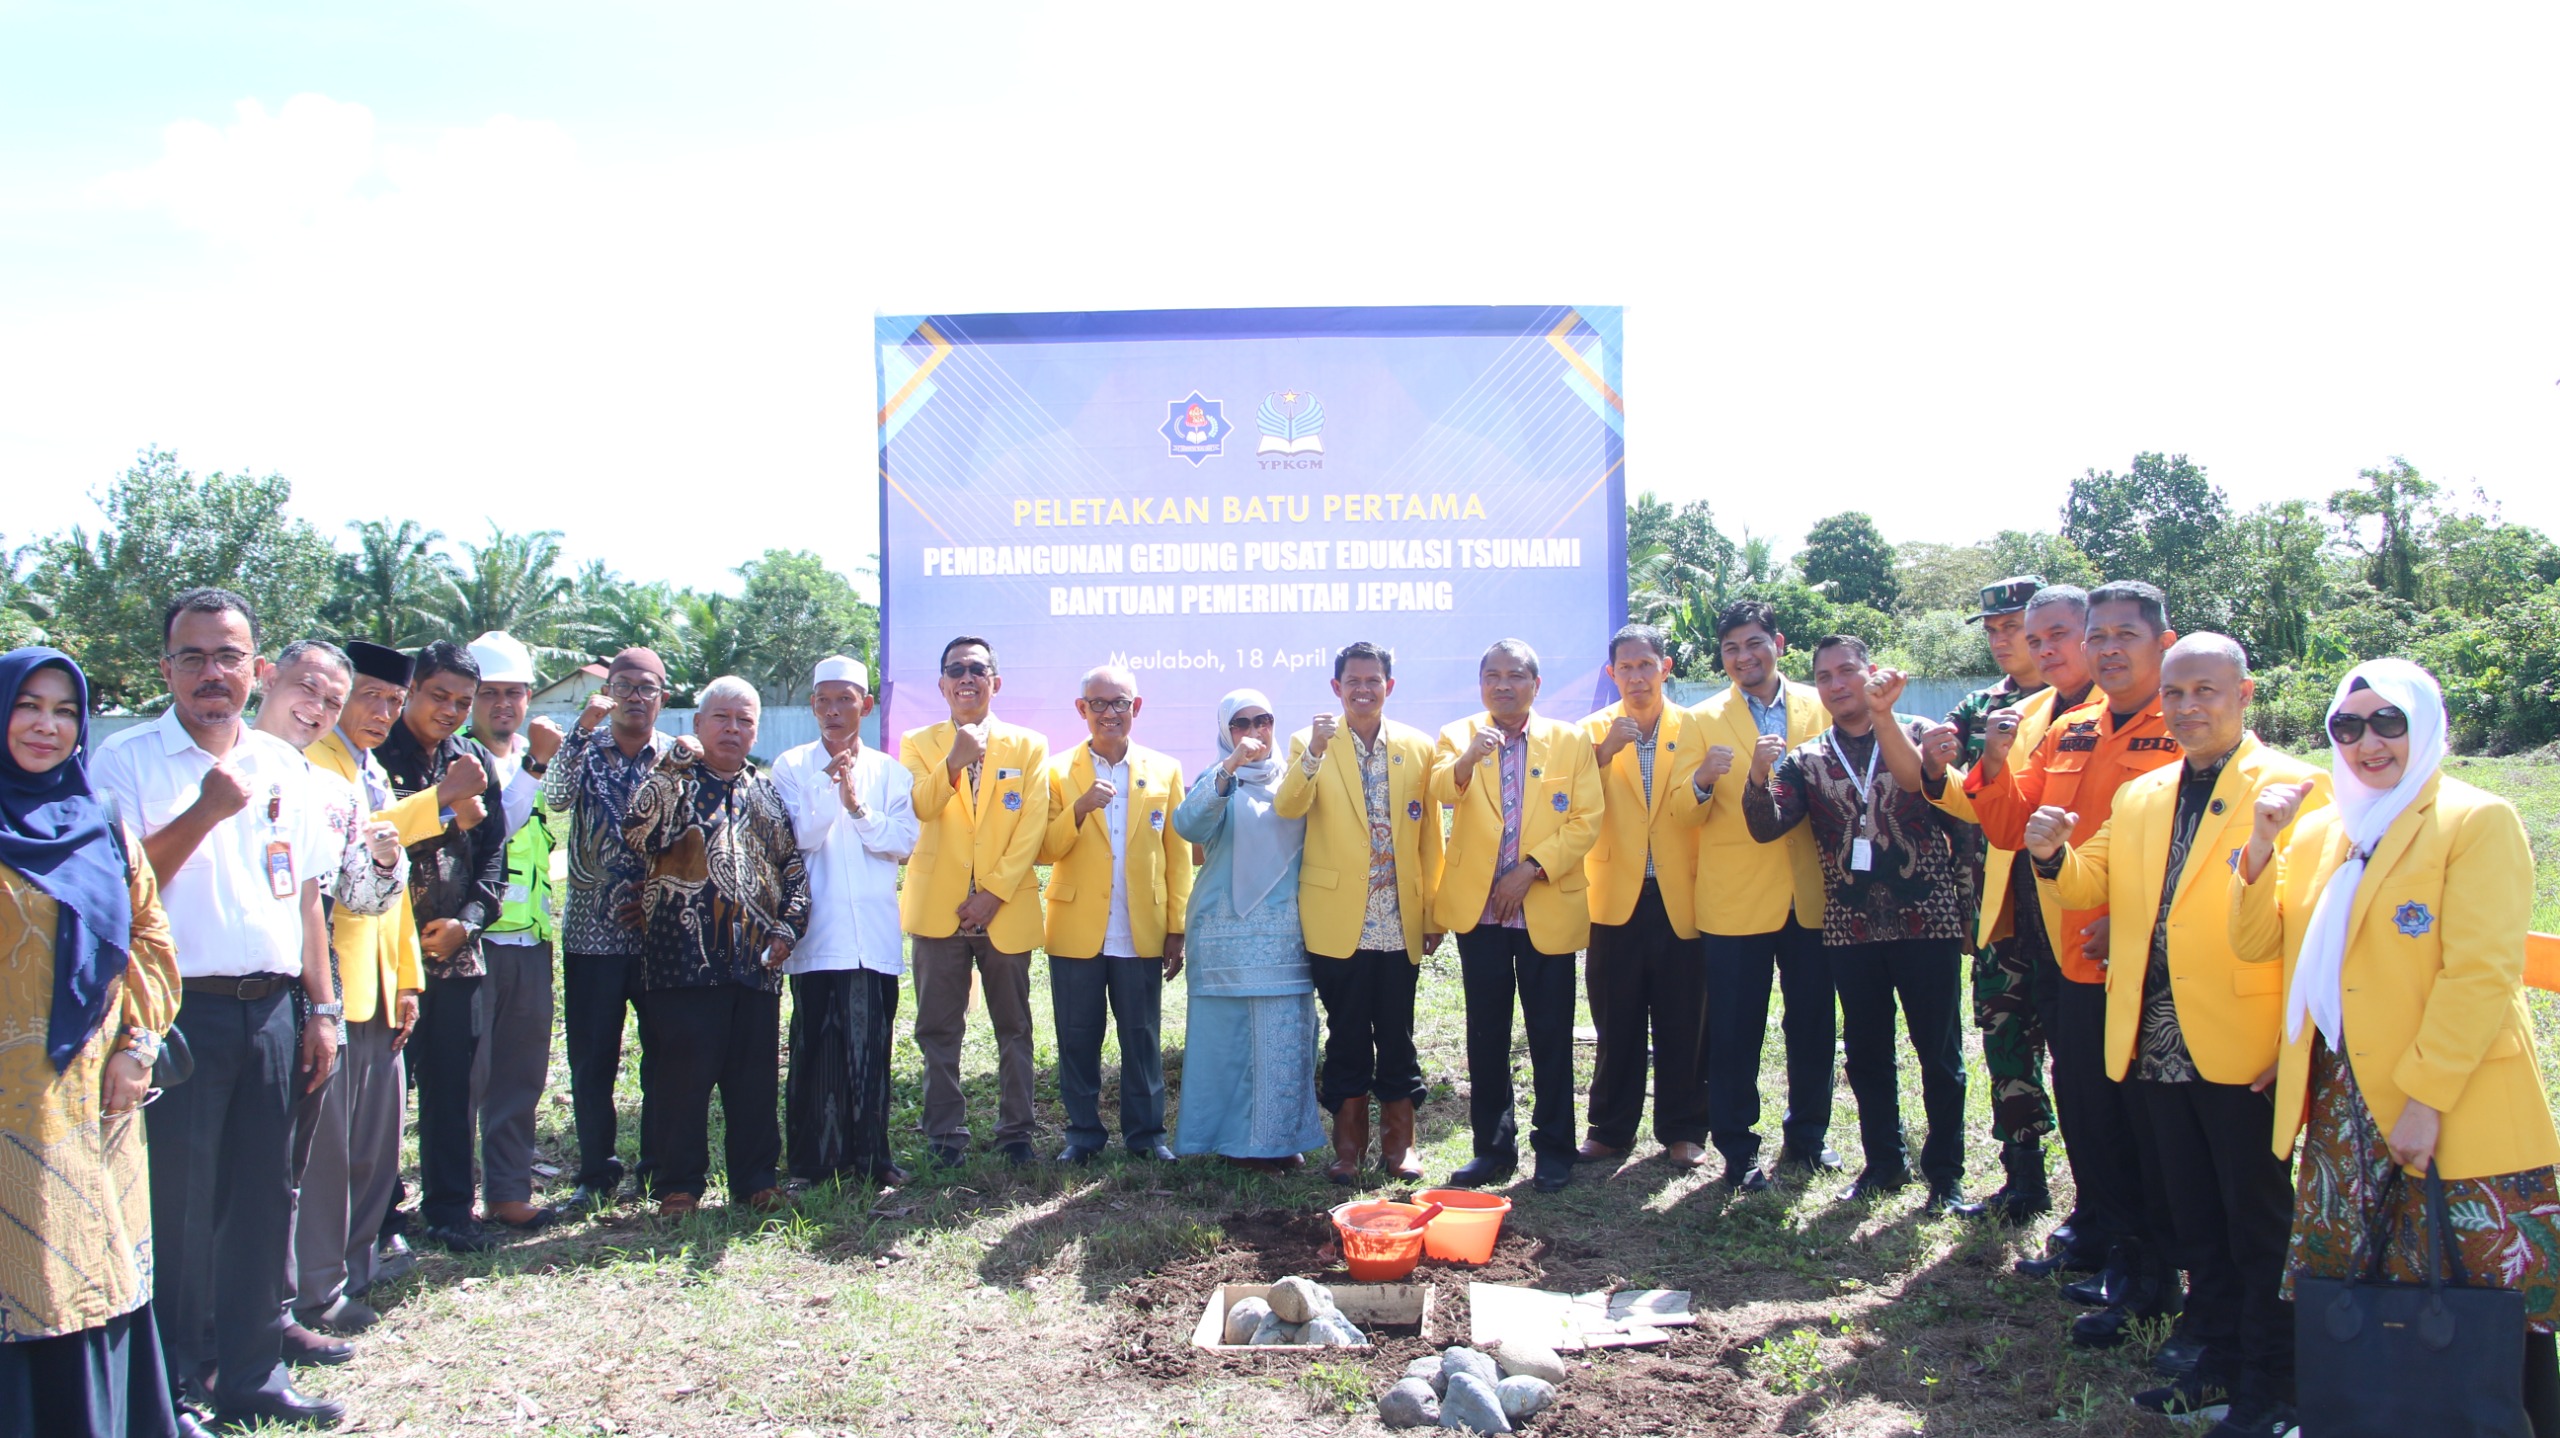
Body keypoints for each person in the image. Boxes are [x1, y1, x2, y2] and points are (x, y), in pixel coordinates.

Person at [2234, 659, 2560, 1438]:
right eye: (2348, 726)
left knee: (2487, 1306)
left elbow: (2479, 974)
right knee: (2370, 1296)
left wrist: (2425, 1100)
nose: (2368, 743)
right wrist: (2258, 846)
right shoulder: (2324, 830)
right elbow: (2257, 945)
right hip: (2345, 1107)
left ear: (2427, 725)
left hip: (2452, 1100)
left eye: (2389, 722)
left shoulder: (2475, 821)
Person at [2028, 634, 2329, 1432]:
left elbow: (2310, 933)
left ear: (2245, 692)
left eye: (2207, 691)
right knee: (2198, 1217)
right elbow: (2091, 880)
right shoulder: (2145, 793)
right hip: (2154, 1040)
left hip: (2244, 1044)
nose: (2190, 707)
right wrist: (2051, 854)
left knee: (2257, 1221)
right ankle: (2220, 1364)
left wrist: (2292, 1043)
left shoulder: (2297, 787)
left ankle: (2277, 1384)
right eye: (2178, 693)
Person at [91, 588, 344, 1430]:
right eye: (192, 657)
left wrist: (323, 1009)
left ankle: (253, 1378)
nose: (211, 674)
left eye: (227, 656)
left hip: (271, 1008)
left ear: (256, 668)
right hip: (174, 1016)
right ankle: (171, 1390)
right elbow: (117, 897)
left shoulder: (284, 766)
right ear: (166, 669)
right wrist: (203, 810)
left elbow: (306, 893)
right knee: (177, 1206)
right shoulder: (128, 762)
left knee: (262, 1197)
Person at [1957, 580, 2186, 1349]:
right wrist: (1993, 761)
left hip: (2153, 966)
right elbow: (2012, 826)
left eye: (2124, 634)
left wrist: (2136, 922)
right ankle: (2115, 1254)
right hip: (2067, 955)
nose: (2106, 649)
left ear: (2162, 640)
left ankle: (2156, 1280)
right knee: (2088, 1111)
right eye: (2099, 637)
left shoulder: (2181, 724)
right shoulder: (2068, 727)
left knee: (2149, 1128)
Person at [0, 648, 186, 1438]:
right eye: (28, 705)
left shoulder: (100, 819)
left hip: (96, 1096)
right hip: (11, 1109)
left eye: (64, 710)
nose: (47, 725)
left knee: (93, 1265)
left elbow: (149, 933)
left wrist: (137, 1045)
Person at [1748, 644, 1980, 1213]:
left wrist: (1970, 906)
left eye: (1847, 671)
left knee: (1940, 1054)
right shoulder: (1807, 758)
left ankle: (1946, 1175)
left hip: (1929, 920)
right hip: (1851, 928)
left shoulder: (1920, 733)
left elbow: (1967, 822)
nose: (1835, 685)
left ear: (1871, 673)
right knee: (1867, 1053)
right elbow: (1767, 827)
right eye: (1823, 677)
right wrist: (1756, 779)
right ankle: (1884, 1164)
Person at [248, 641, 408, 1361]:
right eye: (306, 691)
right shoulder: (217, 767)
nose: (317, 709)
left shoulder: (336, 791)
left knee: (298, 1164)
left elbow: (358, 896)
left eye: (330, 702)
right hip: (215, 997)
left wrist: (384, 858)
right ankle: (215, 1333)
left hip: (312, 994)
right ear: (266, 680)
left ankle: (286, 1307)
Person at [1914, 581, 2075, 1228]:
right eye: (1996, 629)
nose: (2006, 639)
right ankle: (2024, 1176)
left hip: (2073, 901)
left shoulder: (2087, 706)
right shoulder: (1981, 707)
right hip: (2000, 903)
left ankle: (2096, 1194)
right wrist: (1932, 767)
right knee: (2005, 1038)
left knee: (2084, 1052)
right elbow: (1953, 788)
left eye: (2020, 628)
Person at [292, 642, 441, 1339]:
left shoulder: (367, 769)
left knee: (372, 1150)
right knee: (327, 1157)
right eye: (369, 697)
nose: (381, 713)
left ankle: (353, 1273)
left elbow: (395, 891)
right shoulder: (312, 766)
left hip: (382, 987)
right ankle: (314, 1291)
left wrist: (408, 977)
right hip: (335, 988)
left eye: (390, 700)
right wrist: (442, 803)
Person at [623, 676, 808, 1217]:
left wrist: (786, 930)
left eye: (744, 720)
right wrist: (672, 767)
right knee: (682, 1077)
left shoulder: (766, 793)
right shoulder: (672, 781)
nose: (732, 729)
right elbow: (639, 834)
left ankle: (754, 1179)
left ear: (756, 730)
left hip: (755, 963)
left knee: (754, 1078)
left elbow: (793, 871)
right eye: (722, 718)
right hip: (681, 959)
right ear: (698, 724)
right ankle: (678, 1184)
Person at [1432, 638, 1603, 1194]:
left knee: (1550, 1032)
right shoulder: (1460, 735)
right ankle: (1492, 1151)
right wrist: (1468, 759)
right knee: (1487, 1035)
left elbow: (1586, 819)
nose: (1502, 685)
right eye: (1492, 676)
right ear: (1480, 683)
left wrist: (1528, 869)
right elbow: (1438, 788)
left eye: (1515, 676)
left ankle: (1554, 1150)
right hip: (1480, 914)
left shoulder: (1570, 739)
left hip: (1543, 904)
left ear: (1536, 684)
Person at [1273, 640, 1442, 1184]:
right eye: (1353, 682)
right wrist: (1315, 753)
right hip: (1336, 919)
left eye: (1374, 681)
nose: (1363, 690)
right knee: (1346, 1034)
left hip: (1399, 918)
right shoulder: (1309, 741)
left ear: (1389, 687)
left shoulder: (1418, 747)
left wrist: (1433, 911)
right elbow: (1288, 806)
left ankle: (1401, 1146)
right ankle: (1347, 1149)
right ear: (1336, 688)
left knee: (1397, 1033)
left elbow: (1430, 837)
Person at [1682, 599, 1837, 1191]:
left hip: (1811, 894)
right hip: (1735, 900)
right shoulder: (1699, 720)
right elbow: (1678, 812)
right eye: (1730, 649)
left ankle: (1808, 1139)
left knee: (1814, 1025)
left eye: (1753, 644)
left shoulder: (1819, 704)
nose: (1743, 657)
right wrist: (1700, 782)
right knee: (1735, 1030)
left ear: (1779, 642)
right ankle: (1738, 1150)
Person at [374, 641, 507, 1255]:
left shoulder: (474, 758)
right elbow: (369, 844)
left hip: (454, 951)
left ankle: (451, 1209)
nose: (451, 711)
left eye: (462, 701)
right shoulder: (374, 753)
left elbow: (494, 857)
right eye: (438, 696)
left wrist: (471, 921)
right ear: (411, 690)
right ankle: (379, 1218)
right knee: (381, 1093)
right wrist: (448, 800)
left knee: (452, 1086)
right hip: (383, 954)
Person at [899, 636, 1050, 1167]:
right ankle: (945, 1135)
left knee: (1014, 1026)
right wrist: (955, 762)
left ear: (995, 682)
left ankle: (1016, 1133)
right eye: (955, 670)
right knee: (938, 1027)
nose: (966, 678)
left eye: (977, 669)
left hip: (1003, 907)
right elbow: (921, 805)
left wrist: (992, 895)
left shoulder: (1029, 746)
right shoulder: (918, 743)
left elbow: (1031, 827)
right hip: (937, 908)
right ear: (941, 684)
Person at [769, 657, 918, 1187]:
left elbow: (903, 843)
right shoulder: (790, 766)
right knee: (816, 1052)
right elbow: (797, 837)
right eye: (823, 701)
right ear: (812, 706)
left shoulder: (890, 771)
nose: (833, 712)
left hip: (872, 936)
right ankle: (814, 1165)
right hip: (819, 934)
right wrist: (828, 788)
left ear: (866, 705)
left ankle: (874, 1160)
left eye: (845, 701)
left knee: (871, 1051)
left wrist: (859, 809)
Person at [1038, 664, 1193, 1164]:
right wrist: (1079, 808)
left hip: (1140, 927)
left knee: (1142, 1036)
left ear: (1136, 708)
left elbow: (1177, 855)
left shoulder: (1164, 769)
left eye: (1119, 703)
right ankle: (1082, 1135)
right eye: (1098, 704)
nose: (1110, 714)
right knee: (1077, 1037)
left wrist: (1177, 927)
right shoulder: (1057, 771)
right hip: (1076, 928)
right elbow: (1046, 848)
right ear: (1081, 710)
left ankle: (1146, 1137)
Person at [540, 647, 676, 1209]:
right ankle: (595, 1173)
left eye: (646, 688)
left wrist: (655, 897)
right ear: (607, 692)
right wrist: (580, 730)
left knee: (663, 1055)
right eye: (624, 686)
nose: (635, 698)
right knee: (592, 1058)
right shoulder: (587, 748)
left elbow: (690, 836)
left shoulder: (676, 756)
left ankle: (655, 1167)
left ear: (663, 697)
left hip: (658, 936)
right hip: (591, 935)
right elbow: (554, 796)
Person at [1171, 689, 1327, 1172]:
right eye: (1240, 724)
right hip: (1223, 936)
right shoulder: (1217, 779)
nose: (1254, 731)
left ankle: (1279, 1142)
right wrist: (1231, 766)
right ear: (1225, 731)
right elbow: (1189, 826)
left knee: (1284, 1035)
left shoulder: (1297, 780)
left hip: (1285, 934)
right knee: (1225, 1041)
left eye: (1263, 720)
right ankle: (1224, 1139)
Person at [1576, 623, 1712, 1169]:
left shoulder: (1697, 727)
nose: (1636, 677)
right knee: (1617, 1018)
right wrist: (1602, 755)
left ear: (1666, 668)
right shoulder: (1589, 732)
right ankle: (1610, 1129)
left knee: (1686, 1018)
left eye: (1645, 665)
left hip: (1683, 893)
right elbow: (1569, 805)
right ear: (1612, 674)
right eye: (1624, 668)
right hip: (1614, 896)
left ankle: (1684, 1129)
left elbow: (1705, 803)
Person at [460, 632, 562, 1232]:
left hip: (529, 941)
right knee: (464, 1078)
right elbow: (495, 827)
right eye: (490, 694)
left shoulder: (531, 754)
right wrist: (535, 766)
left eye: (515, 693)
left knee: (520, 1075)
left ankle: (507, 1189)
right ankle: (452, 1197)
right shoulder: (459, 757)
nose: (503, 705)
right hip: (472, 944)